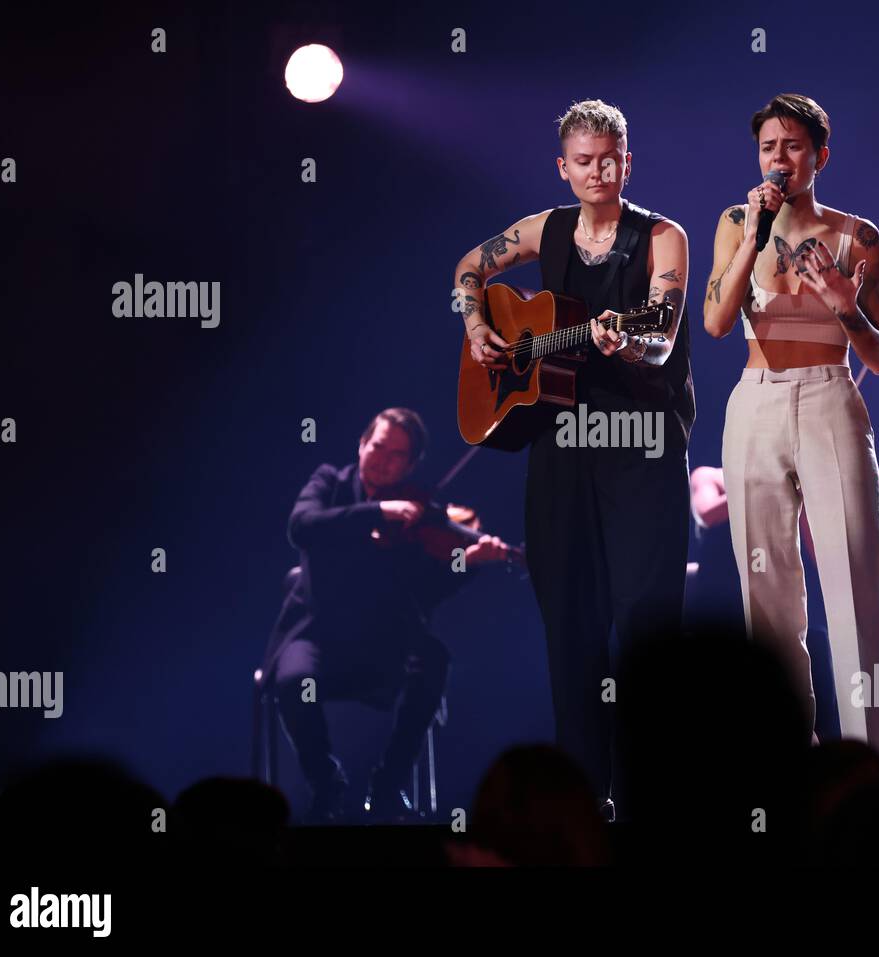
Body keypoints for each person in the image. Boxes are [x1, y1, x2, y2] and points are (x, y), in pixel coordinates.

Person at [452, 99, 695, 820]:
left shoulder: (663, 236)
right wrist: (474, 326)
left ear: (629, 160)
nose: (598, 172)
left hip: (640, 448)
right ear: (563, 167)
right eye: (584, 161)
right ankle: (584, 801)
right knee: (569, 621)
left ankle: (654, 793)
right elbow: (469, 265)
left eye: (610, 159)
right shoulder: (544, 229)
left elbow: (663, 328)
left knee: (646, 623)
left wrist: (634, 340)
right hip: (560, 448)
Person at [702, 93, 879, 779]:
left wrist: (847, 306)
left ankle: (875, 773)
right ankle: (785, 773)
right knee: (768, 597)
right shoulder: (736, 221)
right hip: (754, 402)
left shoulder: (859, 235)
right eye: (767, 148)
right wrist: (753, 235)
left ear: (819, 154)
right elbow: (716, 323)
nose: (778, 159)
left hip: (828, 396)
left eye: (791, 146)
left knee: (854, 586)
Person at [262, 407, 511, 823]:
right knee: (292, 681)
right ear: (362, 444)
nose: (383, 459)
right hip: (316, 632)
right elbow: (302, 526)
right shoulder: (330, 483)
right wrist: (380, 512)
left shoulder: (421, 512)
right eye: (378, 446)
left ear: (411, 465)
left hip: (383, 640)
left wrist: (465, 562)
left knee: (432, 660)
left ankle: (389, 784)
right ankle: (326, 782)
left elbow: (427, 589)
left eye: (398, 455)